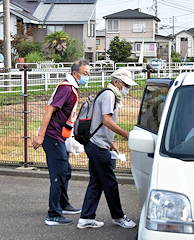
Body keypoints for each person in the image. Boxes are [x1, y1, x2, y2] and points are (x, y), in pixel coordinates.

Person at [32, 59, 91, 226]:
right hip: (52, 136)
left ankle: (63, 205)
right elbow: (49, 111)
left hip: (60, 136)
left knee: (65, 171)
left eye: (88, 74)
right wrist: (41, 136)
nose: (87, 77)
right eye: (85, 74)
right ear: (75, 73)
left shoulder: (71, 87)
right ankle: (53, 215)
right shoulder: (66, 88)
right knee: (59, 174)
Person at [77, 68, 137, 229]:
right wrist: (127, 135)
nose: (126, 88)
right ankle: (118, 216)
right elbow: (106, 121)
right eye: (125, 84)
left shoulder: (107, 94)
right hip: (97, 146)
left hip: (96, 143)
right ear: (116, 81)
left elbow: (99, 122)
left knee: (96, 181)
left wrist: (111, 143)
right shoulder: (110, 95)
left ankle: (86, 218)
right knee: (110, 182)